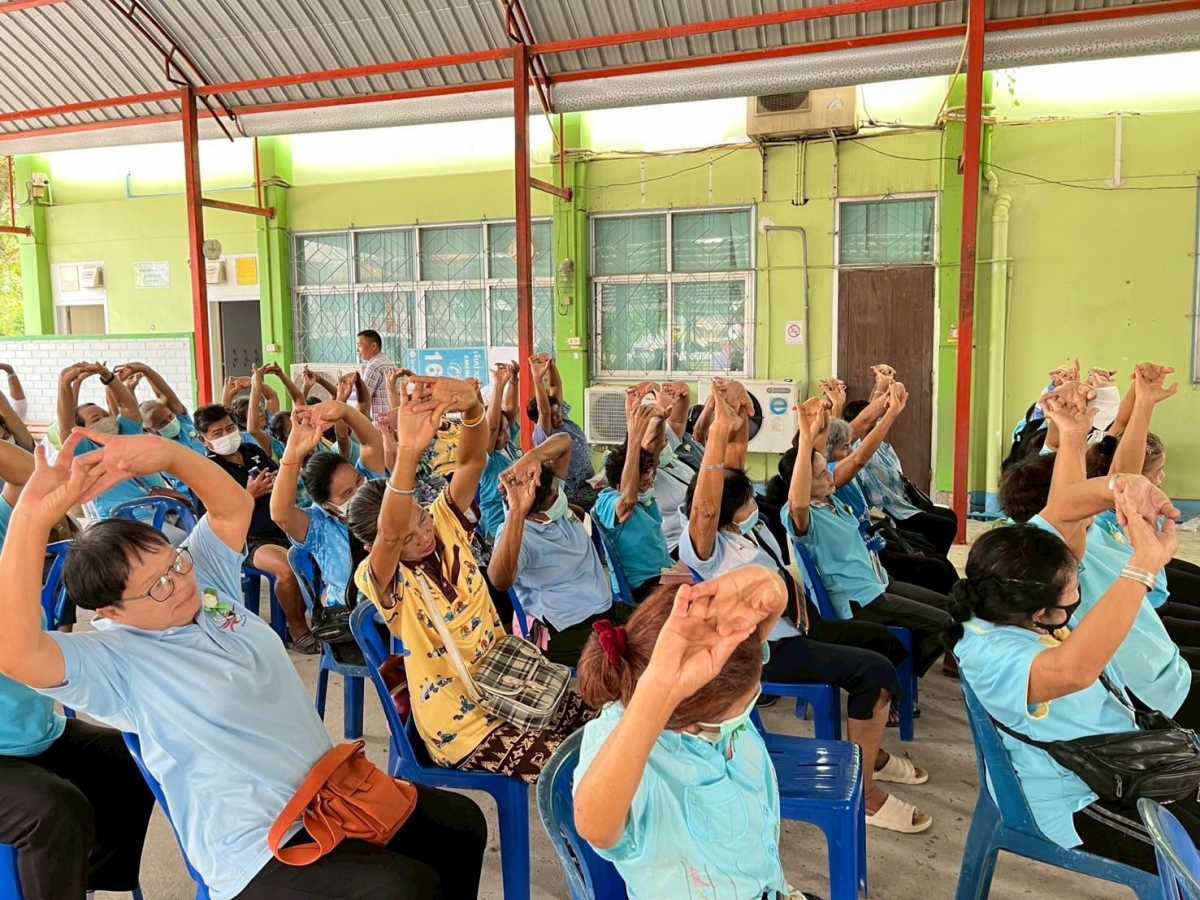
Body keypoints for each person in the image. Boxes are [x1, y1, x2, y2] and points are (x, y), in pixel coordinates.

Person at [0, 429, 486, 900]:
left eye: (175, 562)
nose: (180, 582)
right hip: (257, 844)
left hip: (327, 792)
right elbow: (16, 651)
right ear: (112, 612)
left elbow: (232, 507)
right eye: (159, 586)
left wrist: (169, 454)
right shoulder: (115, 663)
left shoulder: (205, 588)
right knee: (403, 887)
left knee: (461, 825)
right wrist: (33, 518)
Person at [684, 385, 931, 832]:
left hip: (800, 623)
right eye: (746, 501)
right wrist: (716, 432)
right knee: (872, 672)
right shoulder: (707, 548)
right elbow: (704, 507)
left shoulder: (745, 531)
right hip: (767, 650)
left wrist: (736, 418)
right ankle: (867, 795)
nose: (755, 504)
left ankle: (870, 753)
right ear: (725, 512)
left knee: (883, 643)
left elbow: (731, 470)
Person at [352, 376, 592, 782]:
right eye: (408, 537)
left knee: (606, 723)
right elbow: (389, 533)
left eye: (422, 519)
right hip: (464, 725)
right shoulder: (384, 581)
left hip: (511, 681)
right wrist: (407, 451)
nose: (423, 534)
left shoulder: (444, 521)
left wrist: (473, 409)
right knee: (577, 766)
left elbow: (471, 464)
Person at [948, 489, 1198, 872]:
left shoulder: (1016, 576)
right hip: (1078, 797)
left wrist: (1123, 486)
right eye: (1074, 588)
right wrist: (1142, 566)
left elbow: (1065, 508)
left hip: (1123, 760)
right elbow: (1074, 670)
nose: (1080, 586)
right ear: (1041, 612)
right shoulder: (992, 655)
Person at [573, 568, 822, 900]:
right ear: (689, 721)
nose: (749, 706)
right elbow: (593, 824)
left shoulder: (715, 687)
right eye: (744, 704)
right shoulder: (631, 754)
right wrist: (659, 692)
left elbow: (762, 616)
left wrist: (770, 585)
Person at [0, 434, 154, 900]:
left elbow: (35, 479)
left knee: (134, 757)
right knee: (52, 809)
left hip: (31, 732)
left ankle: (86, 882)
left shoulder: (4, 524)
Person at [1002, 382, 1199, 727]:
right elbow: (1071, 498)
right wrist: (1070, 435)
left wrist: (1142, 403)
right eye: (1083, 487)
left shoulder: (1089, 528)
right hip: (1151, 694)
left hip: (1164, 670)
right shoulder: (1058, 554)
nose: (1093, 491)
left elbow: (1123, 472)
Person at [784, 395, 953, 678]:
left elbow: (824, 452)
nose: (830, 475)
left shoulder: (830, 500)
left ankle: (900, 667)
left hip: (878, 582)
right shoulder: (805, 516)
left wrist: (818, 422)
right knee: (948, 622)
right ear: (803, 484)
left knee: (952, 606)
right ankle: (897, 675)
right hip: (861, 599)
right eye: (821, 474)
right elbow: (802, 497)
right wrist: (804, 437)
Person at [193, 403, 316, 653]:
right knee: (287, 567)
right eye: (218, 433)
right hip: (245, 540)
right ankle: (297, 628)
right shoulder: (205, 471)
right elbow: (213, 518)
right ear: (204, 440)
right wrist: (249, 495)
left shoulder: (251, 451)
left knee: (321, 553)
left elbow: (281, 477)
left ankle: (321, 617)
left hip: (282, 527)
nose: (227, 435)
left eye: (230, 428)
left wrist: (281, 481)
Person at [488, 436, 619, 666]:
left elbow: (564, 442)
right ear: (533, 509)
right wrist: (517, 512)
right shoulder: (518, 535)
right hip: (570, 628)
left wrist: (531, 457)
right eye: (553, 495)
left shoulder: (555, 511)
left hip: (605, 609)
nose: (560, 495)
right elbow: (499, 580)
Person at [270, 401, 387, 614]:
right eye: (347, 493)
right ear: (327, 505)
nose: (359, 491)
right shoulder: (319, 526)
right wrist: (293, 453)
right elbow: (281, 514)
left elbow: (372, 443)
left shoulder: (373, 486)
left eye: (358, 481)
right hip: (357, 615)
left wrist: (344, 410)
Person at [845, 365, 959, 557]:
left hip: (905, 501)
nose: (878, 419)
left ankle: (935, 557)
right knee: (944, 527)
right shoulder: (858, 448)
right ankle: (935, 559)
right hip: (894, 511)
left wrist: (883, 384)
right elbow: (866, 418)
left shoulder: (878, 444)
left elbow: (871, 416)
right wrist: (885, 389)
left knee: (949, 517)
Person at [56, 361, 174, 522]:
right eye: (96, 419)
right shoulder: (84, 450)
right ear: (82, 429)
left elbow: (129, 408)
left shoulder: (125, 434)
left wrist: (109, 377)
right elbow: (66, 426)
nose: (105, 419)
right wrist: (65, 384)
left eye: (106, 415)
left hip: (166, 511)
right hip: (126, 523)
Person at [593, 402, 674, 601]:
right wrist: (635, 437)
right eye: (643, 481)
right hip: (642, 584)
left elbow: (653, 457)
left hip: (663, 572)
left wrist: (660, 421)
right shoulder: (607, 501)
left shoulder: (643, 496)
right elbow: (626, 502)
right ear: (622, 482)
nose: (650, 482)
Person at [528, 353, 596, 510]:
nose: (559, 417)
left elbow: (556, 388)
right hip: (570, 493)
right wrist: (537, 379)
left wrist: (551, 364)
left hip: (588, 482)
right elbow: (544, 410)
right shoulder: (544, 434)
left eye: (558, 412)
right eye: (554, 416)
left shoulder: (561, 418)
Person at [477, 362, 521, 543]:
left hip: (516, 522)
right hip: (497, 529)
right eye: (499, 433)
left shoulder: (509, 447)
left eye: (507, 429)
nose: (505, 435)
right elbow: (492, 427)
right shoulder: (486, 458)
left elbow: (510, 411)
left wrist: (513, 380)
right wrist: (498, 385)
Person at [357, 329, 396, 420]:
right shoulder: (388, 362)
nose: (357, 350)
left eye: (359, 345)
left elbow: (364, 400)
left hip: (380, 421)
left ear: (373, 346)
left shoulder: (374, 366)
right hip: (392, 419)